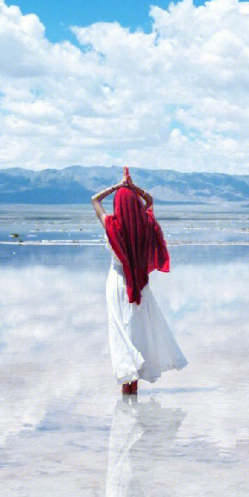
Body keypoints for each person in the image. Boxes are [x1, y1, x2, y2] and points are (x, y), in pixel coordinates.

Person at [92, 167, 187, 395]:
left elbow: (94, 199)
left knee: (121, 330)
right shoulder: (146, 225)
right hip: (139, 286)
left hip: (117, 283)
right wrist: (132, 188)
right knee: (137, 330)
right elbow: (151, 199)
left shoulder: (111, 227)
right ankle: (133, 389)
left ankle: (127, 392)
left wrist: (117, 187)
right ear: (136, 204)